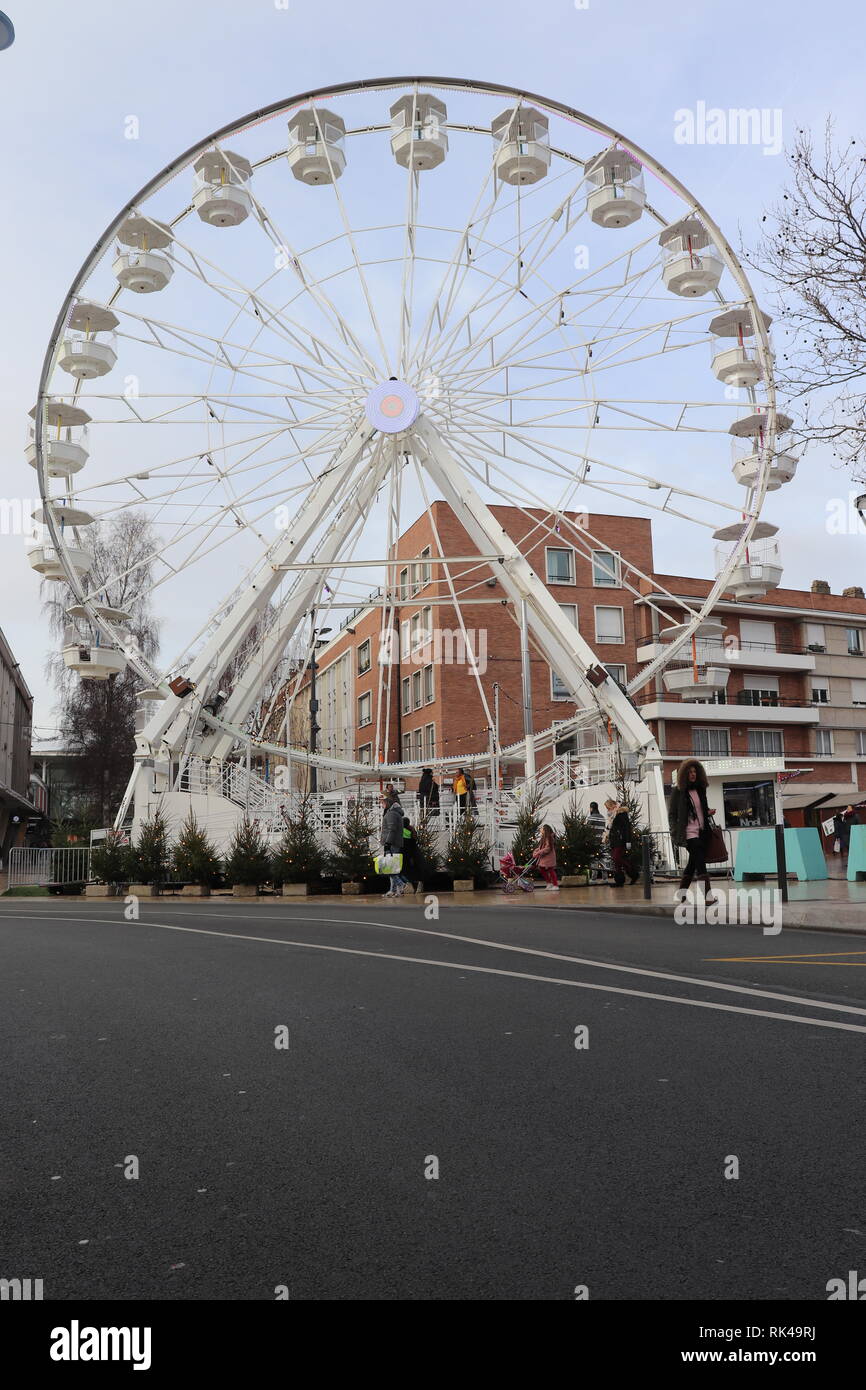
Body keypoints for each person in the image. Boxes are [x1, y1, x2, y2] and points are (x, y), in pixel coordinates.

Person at [667, 758, 718, 903]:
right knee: (700, 862)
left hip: (702, 831)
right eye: (690, 772)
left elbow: (702, 809)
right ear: (684, 774)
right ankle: (708, 897)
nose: (693, 774)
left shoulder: (700, 790)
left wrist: (708, 811)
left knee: (692, 864)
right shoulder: (679, 792)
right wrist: (674, 831)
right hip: (689, 833)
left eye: (695, 771)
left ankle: (681, 895)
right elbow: (672, 814)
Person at [604, 798, 638, 886]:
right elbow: (610, 828)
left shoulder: (621, 814)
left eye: (608, 808)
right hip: (614, 840)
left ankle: (633, 873)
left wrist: (628, 840)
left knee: (616, 858)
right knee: (616, 861)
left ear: (612, 806)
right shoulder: (612, 816)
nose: (607, 810)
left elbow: (627, 827)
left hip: (620, 840)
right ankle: (619, 880)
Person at [381, 792, 408, 897]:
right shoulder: (395, 813)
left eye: (383, 803)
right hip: (395, 843)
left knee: (389, 868)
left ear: (388, 803)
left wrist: (388, 842)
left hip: (392, 844)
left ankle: (401, 884)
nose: (381, 805)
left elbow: (391, 829)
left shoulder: (391, 814)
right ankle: (393, 890)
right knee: (392, 867)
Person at [402, 817, 424, 893]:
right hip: (414, 854)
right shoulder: (412, 830)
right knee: (414, 871)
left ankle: (412, 886)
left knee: (406, 872)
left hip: (406, 854)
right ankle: (417, 886)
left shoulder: (403, 831)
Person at [534, 823, 559, 890]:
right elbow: (541, 847)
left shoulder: (549, 838)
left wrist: (539, 852)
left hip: (549, 857)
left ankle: (555, 885)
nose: (540, 829)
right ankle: (549, 883)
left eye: (542, 828)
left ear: (545, 830)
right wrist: (536, 851)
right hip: (544, 857)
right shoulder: (544, 838)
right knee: (542, 869)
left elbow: (548, 848)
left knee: (550, 870)